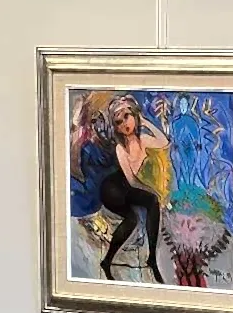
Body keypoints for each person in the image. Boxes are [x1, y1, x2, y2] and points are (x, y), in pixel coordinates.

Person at [72, 93, 171, 283]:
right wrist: (152, 191)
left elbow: (164, 142)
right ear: (115, 127)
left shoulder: (143, 139)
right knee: (142, 209)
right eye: (118, 122)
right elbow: (132, 181)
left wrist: (145, 121)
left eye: (127, 116)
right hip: (111, 190)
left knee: (145, 208)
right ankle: (113, 261)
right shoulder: (120, 148)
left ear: (134, 115)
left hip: (125, 189)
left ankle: (146, 258)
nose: (125, 123)